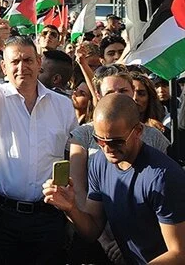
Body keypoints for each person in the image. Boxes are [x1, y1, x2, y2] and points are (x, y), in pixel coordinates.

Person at [0, 22, 77, 264]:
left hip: (47, 217)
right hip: (0, 218)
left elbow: (73, 154)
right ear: (4, 67)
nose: (21, 67)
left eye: (27, 60)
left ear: (38, 63)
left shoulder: (63, 105)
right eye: (14, 62)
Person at [44, 94, 185, 264]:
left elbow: (178, 253)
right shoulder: (99, 162)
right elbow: (92, 230)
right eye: (99, 141)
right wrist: (70, 208)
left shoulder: (163, 177)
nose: (107, 149)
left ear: (138, 131)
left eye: (116, 142)